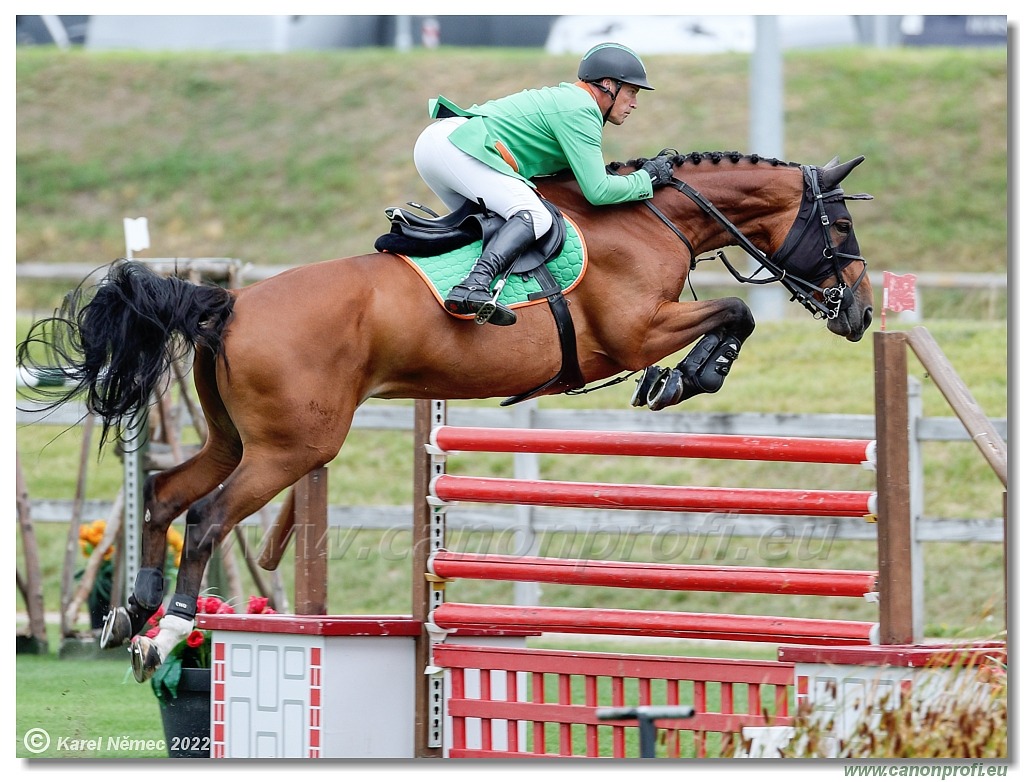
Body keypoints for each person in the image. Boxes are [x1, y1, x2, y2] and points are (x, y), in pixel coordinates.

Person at [414, 42, 675, 326]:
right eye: (632, 92)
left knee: (494, 229)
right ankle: (473, 286)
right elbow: (598, 192)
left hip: (441, 146)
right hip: (457, 147)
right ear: (608, 85)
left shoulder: (571, 102)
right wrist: (646, 178)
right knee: (535, 216)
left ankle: (449, 287)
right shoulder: (582, 109)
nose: (634, 103)